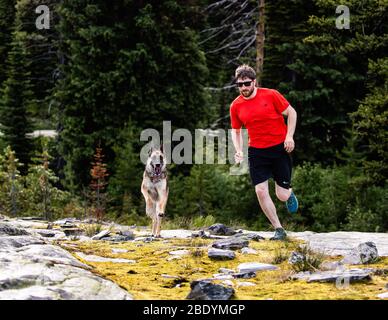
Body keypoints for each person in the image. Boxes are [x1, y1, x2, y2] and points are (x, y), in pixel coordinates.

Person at [230, 64, 298, 240]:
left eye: (246, 83)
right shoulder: (236, 106)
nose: (243, 88)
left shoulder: (271, 94)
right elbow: (235, 131)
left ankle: (289, 194)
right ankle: (279, 229)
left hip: (278, 148)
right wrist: (238, 150)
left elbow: (292, 113)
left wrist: (289, 137)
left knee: (281, 195)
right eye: (240, 85)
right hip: (257, 151)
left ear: (254, 82)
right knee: (260, 190)